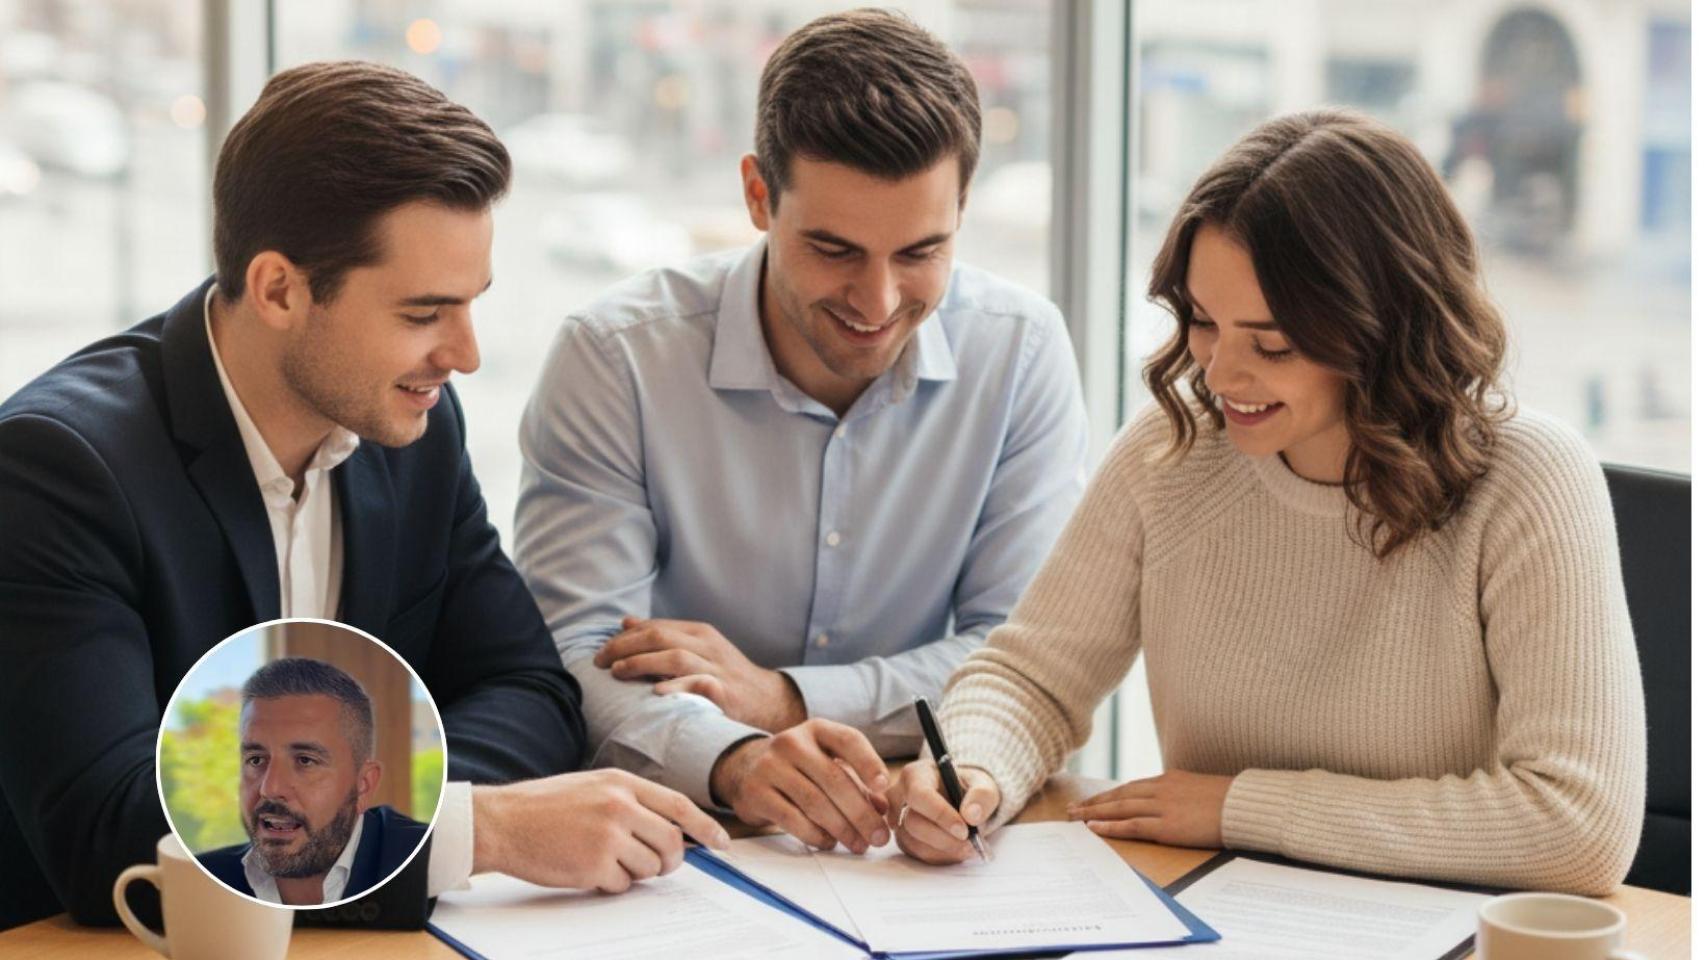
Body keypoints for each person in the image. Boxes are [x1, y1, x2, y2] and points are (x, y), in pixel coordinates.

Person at [0, 61, 724, 932]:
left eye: (471, 305)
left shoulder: (412, 426)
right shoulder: (58, 469)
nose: (465, 355)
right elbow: (109, 832)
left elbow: (525, 689)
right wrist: (473, 830)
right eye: (423, 314)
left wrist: (377, 816)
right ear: (279, 289)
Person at [887, 109, 1646, 896]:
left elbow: (1578, 823)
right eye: (1203, 321)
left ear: (1384, 327)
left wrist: (1240, 808)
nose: (1218, 374)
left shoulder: (1528, 480)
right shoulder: (1173, 450)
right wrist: (971, 770)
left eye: (1272, 344)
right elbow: (1033, 678)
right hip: (1217, 915)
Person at [514, 9, 1088, 856]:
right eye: (834, 250)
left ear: (963, 207)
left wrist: (783, 699)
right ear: (758, 196)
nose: (878, 301)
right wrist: (736, 756)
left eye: (920, 252)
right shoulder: (616, 358)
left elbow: (1025, 661)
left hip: (919, 835)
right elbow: (575, 651)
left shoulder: (1022, 351)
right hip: (679, 836)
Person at [197, 658, 427, 906]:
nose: (270, 789)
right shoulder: (198, 881)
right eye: (256, 760)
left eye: (305, 761)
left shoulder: (425, 858)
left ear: (364, 785)